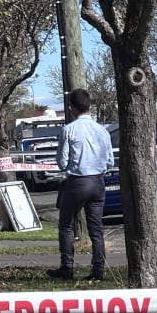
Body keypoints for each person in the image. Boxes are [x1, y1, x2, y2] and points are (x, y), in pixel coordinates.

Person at [48, 89, 114, 281]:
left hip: (78, 182)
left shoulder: (69, 130)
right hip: (98, 181)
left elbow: (62, 161)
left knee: (66, 225)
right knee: (96, 228)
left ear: (72, 108)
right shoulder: (103, 131)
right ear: (89, 106)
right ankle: (98, 270)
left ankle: (67, 267)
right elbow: (110, 161)